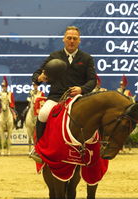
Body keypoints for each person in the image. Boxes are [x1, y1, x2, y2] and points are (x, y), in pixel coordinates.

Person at [30, 26, 97, 162]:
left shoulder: (87, 58)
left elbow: (92, 80)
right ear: (64, 39)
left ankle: (97, 149)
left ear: (79, 41)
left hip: (78, 98)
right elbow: (36, 74)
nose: (71, 41)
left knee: (96, 116)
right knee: (42, 114)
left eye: (75, 38)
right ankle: (38, 148)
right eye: (69, 38)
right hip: (57, 97)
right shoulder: (54, 56)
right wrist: (40, 78)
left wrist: (81, 89)